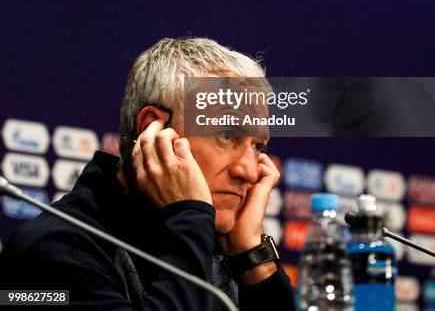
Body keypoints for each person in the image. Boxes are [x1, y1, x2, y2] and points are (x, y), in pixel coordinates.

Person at [0, 38, 295, 310]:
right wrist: (189, 217)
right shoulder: (53, 249)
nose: (248, 170)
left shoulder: (221, 250)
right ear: (153, 130)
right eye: (227, 134)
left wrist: (252, 258)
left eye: (258, 145)